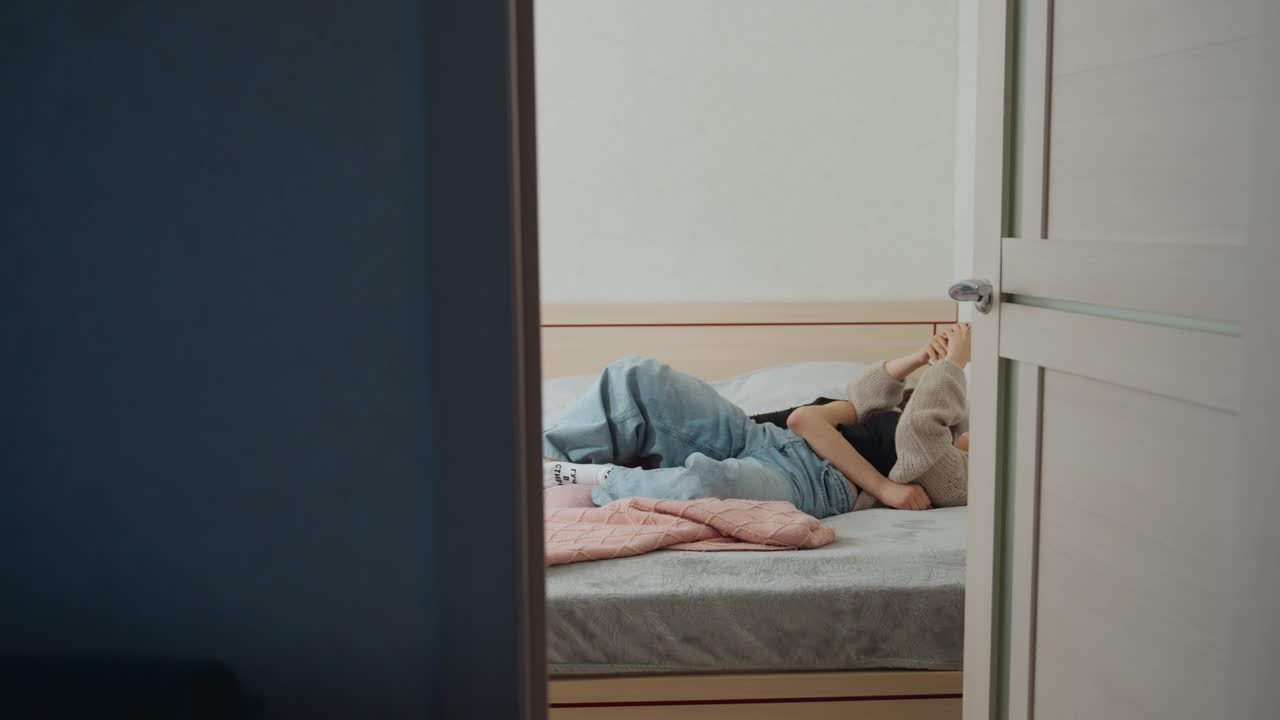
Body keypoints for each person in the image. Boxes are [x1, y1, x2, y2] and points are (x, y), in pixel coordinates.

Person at [541, 324, 972, 518]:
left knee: (710, 486)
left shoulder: (957, 475)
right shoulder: (911, 421)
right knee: (637, 378)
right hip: (757, 433)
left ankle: (596, 479)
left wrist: (954, 363)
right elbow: (843, 404)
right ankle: (541, 463)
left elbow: (920, 429)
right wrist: (921, 357)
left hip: (812, 479)